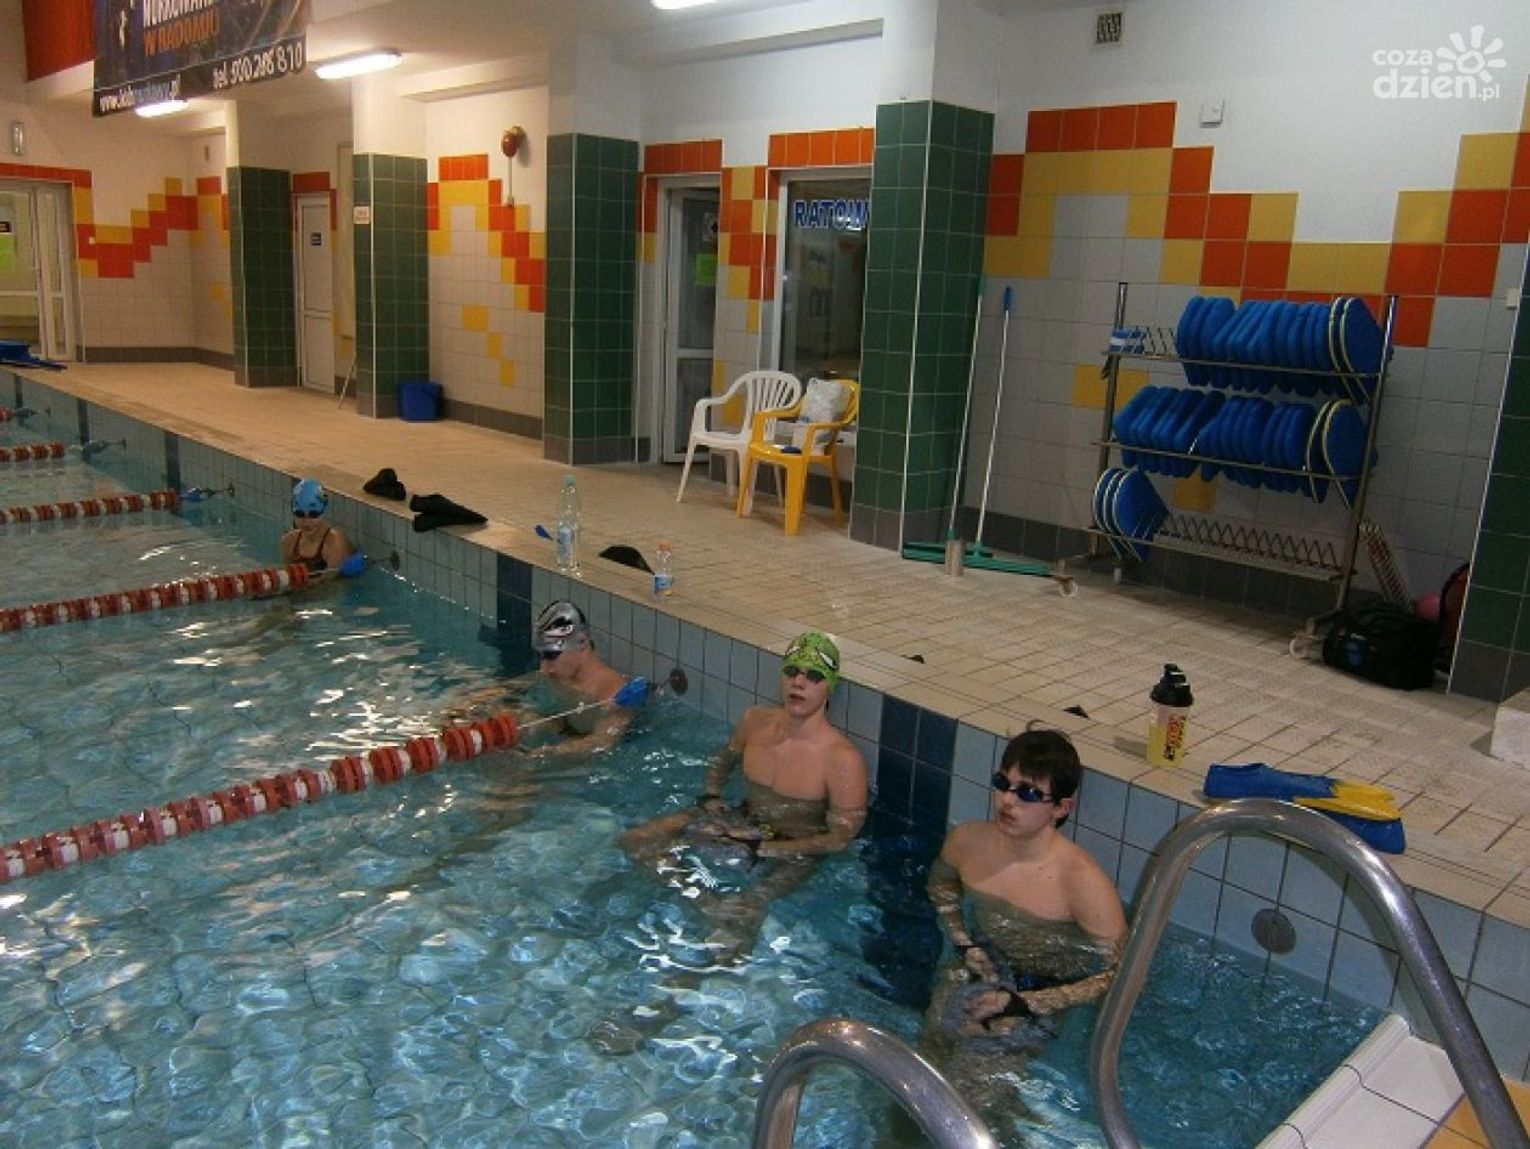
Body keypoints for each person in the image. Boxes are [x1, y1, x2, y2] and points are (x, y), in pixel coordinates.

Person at [598, 631, 868, 1053]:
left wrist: (770, 849)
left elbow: (839, 838)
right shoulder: (756, 721)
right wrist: (712, 798)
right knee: (636, 840)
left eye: (813, 676)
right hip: (742, 820)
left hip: (794, 848)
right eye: (792, 671)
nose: (799, 682)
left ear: (829, 688)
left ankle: (654, 1015)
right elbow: (722, 761)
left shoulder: (841, 758)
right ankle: (708, 902)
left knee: (740, 926)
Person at [921, 724, 1128, 1127]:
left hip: (1039, 992)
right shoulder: (967, 842)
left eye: (1029, 793)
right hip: (977, 967)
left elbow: (1124, 976)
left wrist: (1026, 1003)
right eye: (1003, 783)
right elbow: (941, 886)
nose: (1007, 800)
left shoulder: (1081, 881)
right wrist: (963, 942)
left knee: (962, 1112)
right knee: (918, 1080)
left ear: (1061, 808)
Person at [519, 600, 637, 758]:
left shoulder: (612, 691)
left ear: (581, 642)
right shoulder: (560, 676)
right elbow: (569, 724)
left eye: (552, 655)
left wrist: (549, 753)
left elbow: (602, 743)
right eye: (541, 656)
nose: (545, 668)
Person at [279, 478, 354, 574]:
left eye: (313, 514)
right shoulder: (288, 541)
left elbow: (334, 581)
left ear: (323, 512)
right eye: (300, 514)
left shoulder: (335, 542)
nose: (306, 523)